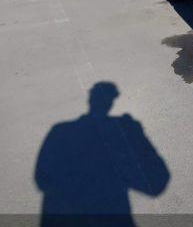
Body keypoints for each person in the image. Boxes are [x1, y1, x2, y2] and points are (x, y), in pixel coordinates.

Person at [35, 82, 170, 227]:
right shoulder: (120, 131)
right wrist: (137, 136)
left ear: (90, 99)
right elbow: (156, 184)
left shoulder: (60, 131)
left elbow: (42, 178)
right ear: (111, 103)